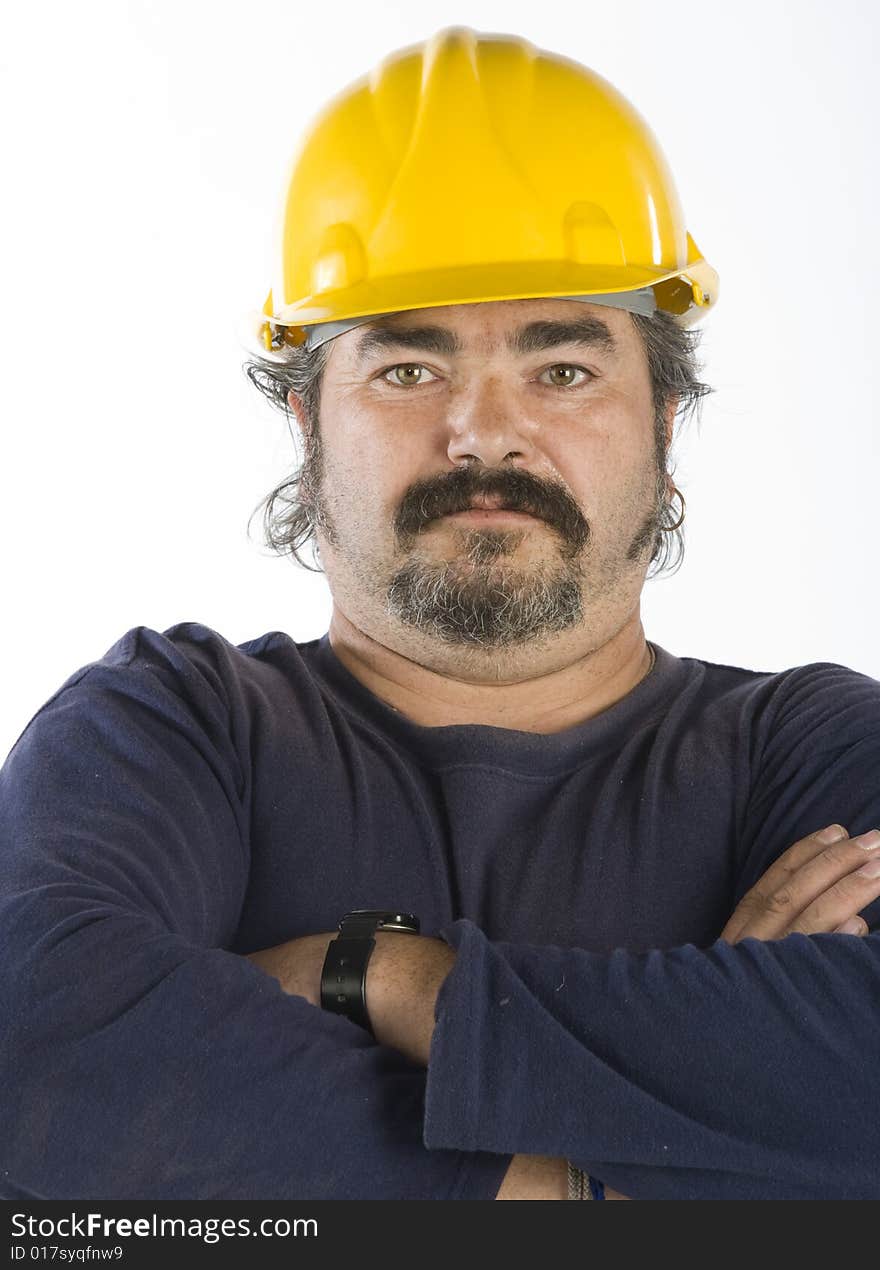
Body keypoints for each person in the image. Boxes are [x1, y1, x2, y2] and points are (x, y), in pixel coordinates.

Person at [2, 26, 879, 1202]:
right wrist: (597, 1179)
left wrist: (381, 977)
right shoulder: (173, 727)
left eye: (560, 369)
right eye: (407, 370)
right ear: (310, 431)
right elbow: (41, 1048)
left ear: (665, 424)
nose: (482, 432)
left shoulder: (812, 752)